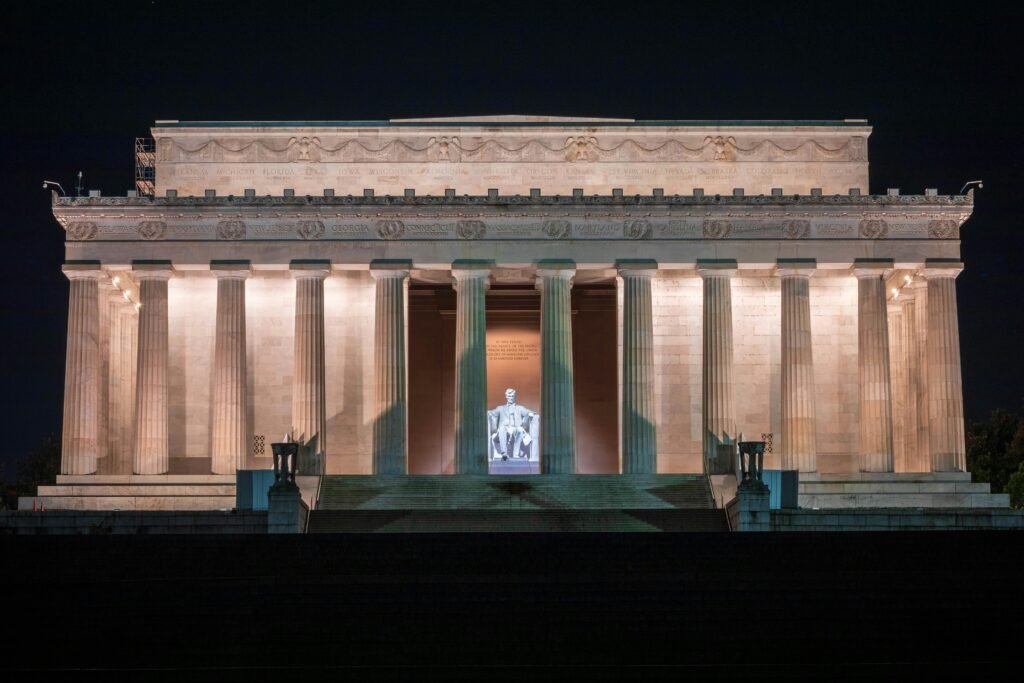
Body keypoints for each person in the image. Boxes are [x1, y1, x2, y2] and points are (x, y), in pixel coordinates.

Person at [488, 388, 535, 460]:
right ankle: (504, 453)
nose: (511, 398)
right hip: (505, 429)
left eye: (512, 396)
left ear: (514, 396)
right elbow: (493, 412)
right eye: (509, 396)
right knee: (502, 428)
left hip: (516, 428)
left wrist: (530, 413)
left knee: (520, 429)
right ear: (506, 396)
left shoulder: (520, 408)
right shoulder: (500, 408)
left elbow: (526, 412)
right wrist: (489, 413)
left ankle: (516, 454)